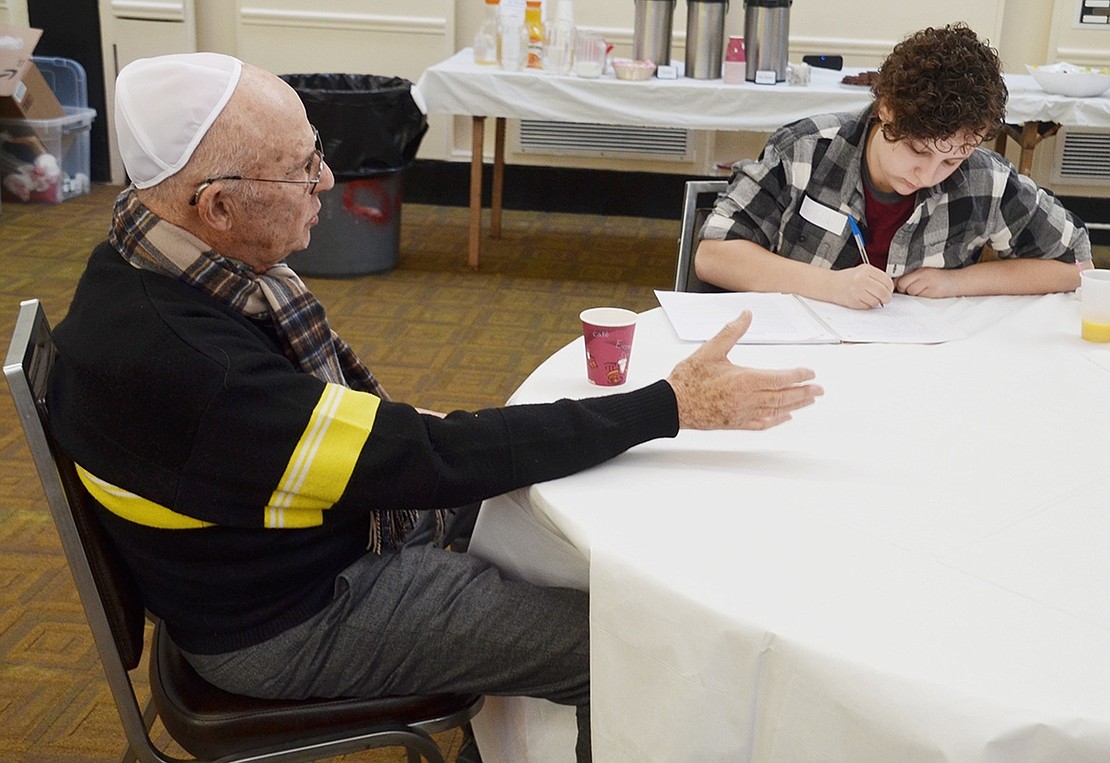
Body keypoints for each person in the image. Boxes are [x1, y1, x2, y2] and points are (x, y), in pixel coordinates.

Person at [46, 53, 823, 762]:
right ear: (215, 206)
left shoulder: (134, 252)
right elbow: (425, 461)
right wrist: (669, 404)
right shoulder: (206, 374)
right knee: (618, 646)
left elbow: (397, 448)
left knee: (540, 508)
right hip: (287, 617)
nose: (326, 181)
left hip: (247, 560)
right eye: (301, 167)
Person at [695, 23, 1092, 310]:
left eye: (952, 159)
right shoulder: (805, 149)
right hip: (801, 356)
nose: (929, 174)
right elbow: (713, 256)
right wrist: (830, 286)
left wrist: (957, 282)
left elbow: (1076, 265)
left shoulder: (983, 178)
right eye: (918, 151)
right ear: (887, 110)